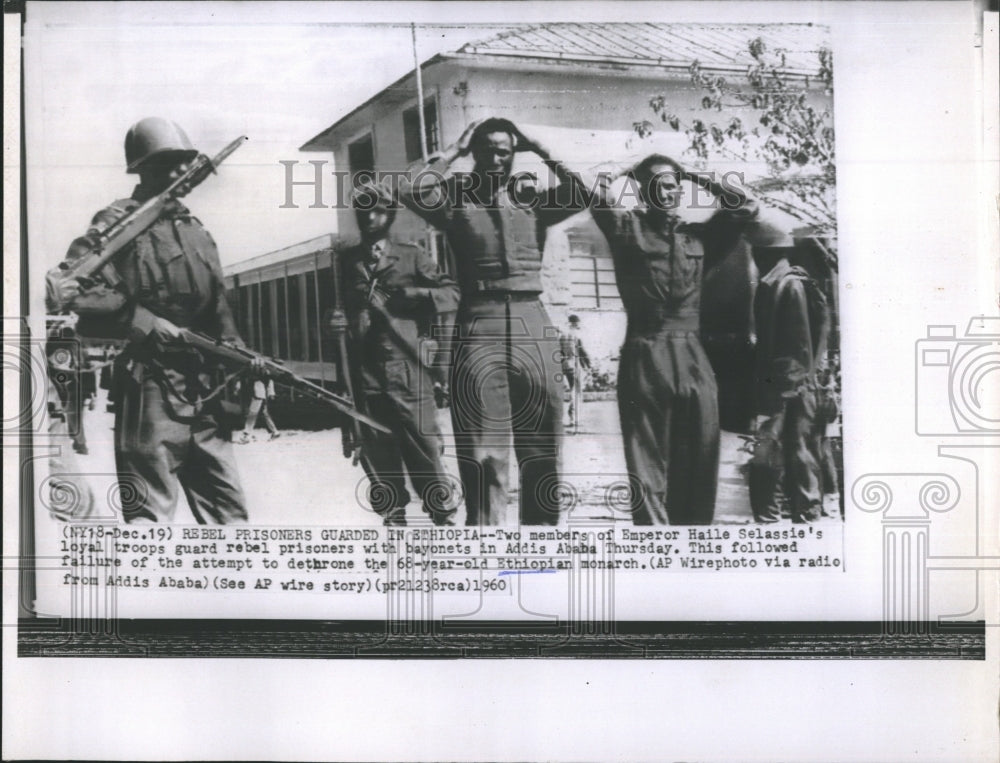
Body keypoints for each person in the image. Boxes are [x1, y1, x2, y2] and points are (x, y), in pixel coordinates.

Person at [45, 117, 250, 524]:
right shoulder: (117, 223)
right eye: (172, 162)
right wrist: (140, 320)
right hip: (151, 383)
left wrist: (238, 352)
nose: (184, 170)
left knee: (230, 515)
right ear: (144, 167)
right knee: (150, 517)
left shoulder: (195, 229)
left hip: (205, 386)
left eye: (186, 161)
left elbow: (218, 300)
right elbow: (70, 288)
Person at [399, 117, 588, 526]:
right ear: (475, 153)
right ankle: (487, 540)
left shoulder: (533, 201)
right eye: (487, 151)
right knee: (483, 446)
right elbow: (410, 188)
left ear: (515, 154)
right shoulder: (454, 201)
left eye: (505, 151)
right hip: (479, 320)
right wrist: (453, 150)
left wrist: (541, 147)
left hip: (531, 317)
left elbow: (586, 191)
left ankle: (541, 539)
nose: (497, 159)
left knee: (543, 440)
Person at [588, 154, 776, 525]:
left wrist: (693, 175)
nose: (667, 191)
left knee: (701, 459)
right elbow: (595, 194)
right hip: (646, 350)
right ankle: (654, 543)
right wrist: (626, 171)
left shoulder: (700, 237)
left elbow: (746, 206)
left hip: (692, 356)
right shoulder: (627, 229)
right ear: (643, 191)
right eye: (657, 185)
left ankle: (692, 542)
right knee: (647, 462)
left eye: (673, 185)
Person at [340, 180, 461, 526]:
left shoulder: (411, 255)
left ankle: (443, 517)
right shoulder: (347, 261)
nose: (370, 218)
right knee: (378, 456)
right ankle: (394, 521)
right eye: (363, 211)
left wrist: (415, 296)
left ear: (390, 214)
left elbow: (452, 293)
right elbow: (342, 313)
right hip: (366, 376)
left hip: (408, 370)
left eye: (378, 211)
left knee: (424, 450)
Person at [748, 235, 830, 524]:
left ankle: (787, 514)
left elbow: (797, 343)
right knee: (796, 449)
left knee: (780, 449)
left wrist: (780, 390)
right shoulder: (784, 282)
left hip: (787, 384)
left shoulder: (787, 284)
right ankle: (801, 512)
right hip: (793, 382)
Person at [560, 314, 591, 429]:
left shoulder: (562, 335)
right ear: (576, 323)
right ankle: (574, 418)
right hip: (574, 365)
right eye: (578, 323)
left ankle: (572, 417)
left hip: (564, 365)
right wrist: (589, 365)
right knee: (576, 391)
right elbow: (583, 352)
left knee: (572, 389)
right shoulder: (577, 335)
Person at [239, 370, 279, 442]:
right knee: (264, 415)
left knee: (252, 415)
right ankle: (275, 432)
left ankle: (246, 434)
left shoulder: (260, 377)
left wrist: (270, 393)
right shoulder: (264, 376)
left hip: (258, 397)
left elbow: (268, 382)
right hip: (260, 396)